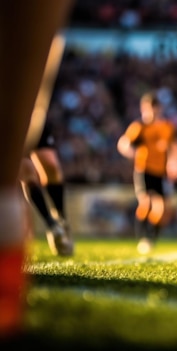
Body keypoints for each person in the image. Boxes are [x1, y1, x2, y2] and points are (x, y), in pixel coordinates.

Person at [0, 0, 74, 340]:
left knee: (50, 167)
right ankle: (29, 224)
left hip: (29, 99)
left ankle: (56, 222)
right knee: (27, 171)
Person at [117, 92, 177, 254]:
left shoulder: (167, 126)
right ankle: (143, 237)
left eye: (153, 108)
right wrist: (133, 153)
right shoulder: (139, 127)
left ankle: (152, 236)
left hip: (161, 172)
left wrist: (174, 163)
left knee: (162, 209)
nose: (150, 112)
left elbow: (175, 145)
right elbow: (123, 144)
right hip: (144, 170)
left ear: (159, 109)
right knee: (146, 202)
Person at [20, 122, 73, 256]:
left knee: (51, 166)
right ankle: (52, 225)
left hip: (34, 117)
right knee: (26, 170)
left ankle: (61, 218)